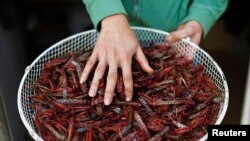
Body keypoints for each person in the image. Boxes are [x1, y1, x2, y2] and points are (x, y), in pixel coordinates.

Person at [80, 0, 228, 105]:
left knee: (192, 92)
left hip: (175, 39)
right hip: (110, 33)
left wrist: (199, 17)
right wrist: (109, 14)